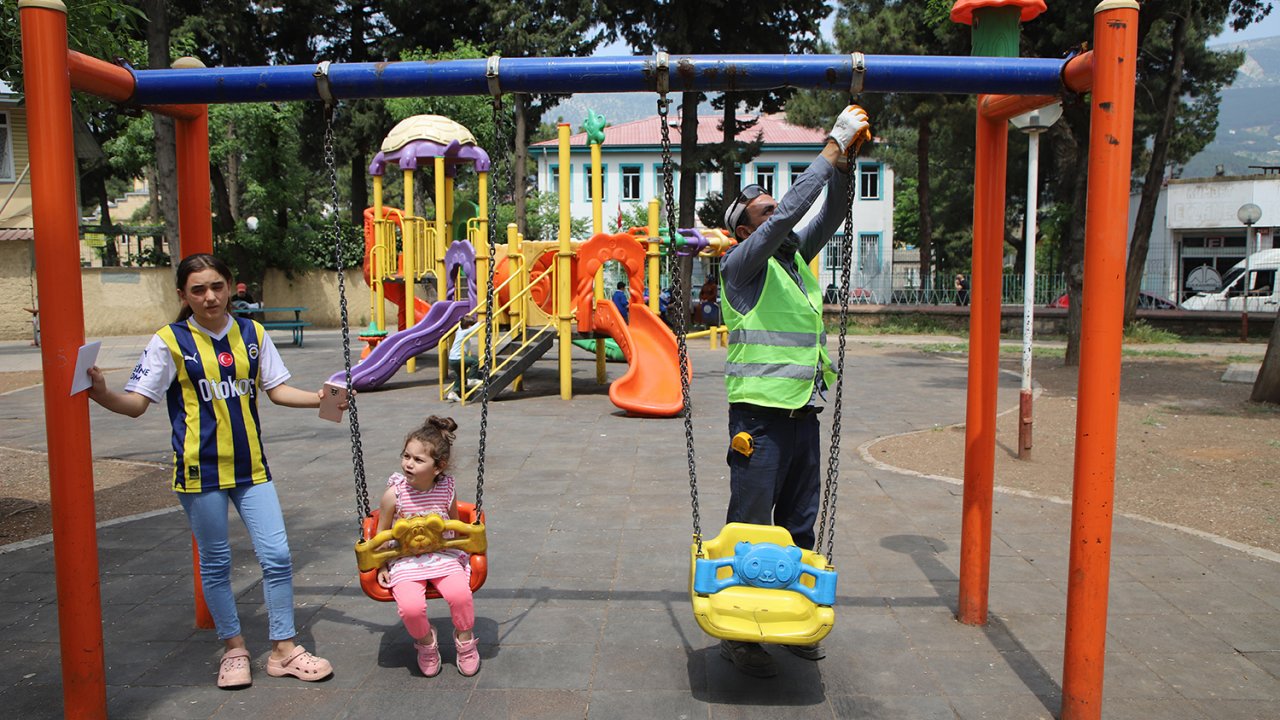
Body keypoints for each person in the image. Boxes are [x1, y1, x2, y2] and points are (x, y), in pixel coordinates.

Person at [86, 253, 338, 690]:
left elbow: (277, 390)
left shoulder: (252, 333)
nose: (209, 297)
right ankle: (234, 648)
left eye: (217, 286)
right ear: (183, 295)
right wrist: (102, 393)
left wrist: (321, 398)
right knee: (217, 562)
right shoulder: (169, 341)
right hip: (198, 471)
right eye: (198, 289)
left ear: (230, 286)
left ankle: (284, 649)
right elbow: (136, 404)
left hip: (251, 467)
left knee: (277, 556)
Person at [716, 104, 871, 677]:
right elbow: (788, 215)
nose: (776, 211)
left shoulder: (793, 260)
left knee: (800, 522)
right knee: (753, 525)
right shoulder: (742, 266)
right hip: (758, 421)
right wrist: (828, 149)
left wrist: (844, 167)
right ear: (745, 230)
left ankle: (796, 617)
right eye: (763, 211)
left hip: (803, 413)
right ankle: (740, 631)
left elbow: (832, 213)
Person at [374, 415, 480, 678]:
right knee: (411, 607)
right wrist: (381, 565)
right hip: (405, 559)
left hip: (442, 554)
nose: (408, 464)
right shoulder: (394, 494)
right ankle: (425, 642)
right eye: (406, 456)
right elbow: (381, 533)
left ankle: (465, 639)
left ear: (438, 467)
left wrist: (465, 548)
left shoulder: (446, 489)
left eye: (418, 460)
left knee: (460, 595)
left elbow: (454, 525)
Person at [445, 316, 482, 402]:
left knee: (460, 375)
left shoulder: (459, 331)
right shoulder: (463, 333)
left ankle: (453, 393)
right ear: (468, 326)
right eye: (471, 325)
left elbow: (461, 325)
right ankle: (472, 379)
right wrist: (480, 323)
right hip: (457, 358)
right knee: (474, 361)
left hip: (453, 359)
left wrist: (465, 318)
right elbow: (471, 330)